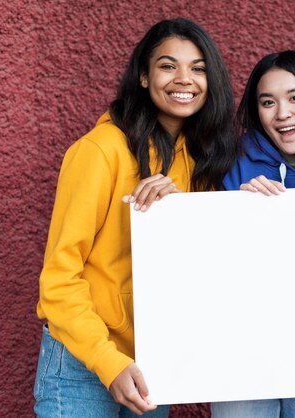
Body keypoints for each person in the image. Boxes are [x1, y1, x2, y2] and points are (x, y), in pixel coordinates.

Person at [33, 18, 238, 417]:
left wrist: (182, 216)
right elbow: (59, 279)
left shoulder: (203, 159)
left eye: (198, 68)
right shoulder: (99, 151)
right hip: (83, 364)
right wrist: (108, 362)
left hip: (152, 359)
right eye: (168, 66)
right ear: (143, 77)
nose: (185, 79)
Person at [211, 50, 295, 418]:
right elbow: (206, 258)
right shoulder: (232, 162)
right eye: (267, 102)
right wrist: (234, 213)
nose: (282, 113)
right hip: (242, 352)